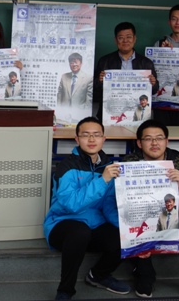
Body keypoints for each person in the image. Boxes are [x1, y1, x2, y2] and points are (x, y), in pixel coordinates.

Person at [44, 117, 130, 300]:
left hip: (94, 226)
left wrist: (128, 230)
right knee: (79, 231)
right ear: (77, 139)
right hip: (62, 224)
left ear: (104, 139)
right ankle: (65, 290)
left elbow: (108, 205)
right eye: (86, 135)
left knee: (123, 236)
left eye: (96, 135)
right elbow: (71, 204)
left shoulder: (108, 167)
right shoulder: (66, 167)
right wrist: (103, 180)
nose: (91, 139)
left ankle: (98, 275)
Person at [122, 119, 179, 297]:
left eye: (159, 138)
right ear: (139, 143)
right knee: (133, 231)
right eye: (148, 139)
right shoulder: (129, 163)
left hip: (177, 214)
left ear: (167, 141)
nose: (154, 143)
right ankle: (144, 276)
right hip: (140, 214)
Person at [94, 22, 159, 119]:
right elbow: (95, 90)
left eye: (129, 37)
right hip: (111, 115)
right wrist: (99, 82)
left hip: (137, 115)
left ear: (134, 39)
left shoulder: (146, 63)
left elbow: (154, 90)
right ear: (116, 40)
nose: (125, 41)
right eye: (121, 38)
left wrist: (153, 84)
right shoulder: (104, 61)